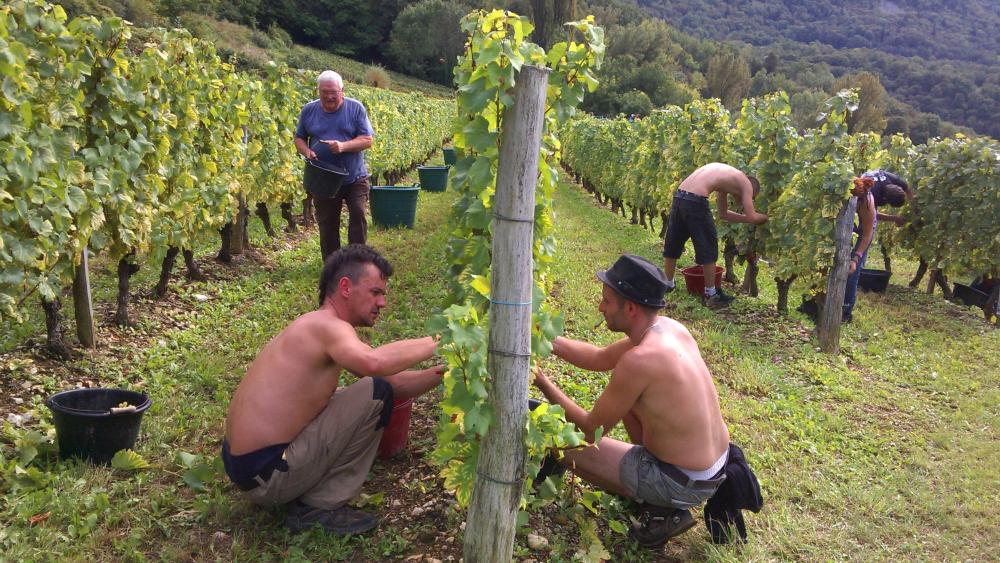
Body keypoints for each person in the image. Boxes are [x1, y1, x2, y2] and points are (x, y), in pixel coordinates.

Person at [532, 254, 761, 548]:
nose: (600, 307)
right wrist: (544, 339)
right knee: (631, 405)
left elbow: (590, 431)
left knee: (557, 435)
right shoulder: (668, 329)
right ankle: (654, 495)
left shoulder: (639, 361)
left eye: (606, 301)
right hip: (711, 467)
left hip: (682, 480)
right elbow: (599, 358)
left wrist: (541, 381)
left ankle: (664, 510)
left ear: (630, 308)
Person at [222, 245, 444, 535]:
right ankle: (317, 507)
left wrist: (446, 371)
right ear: (345, 287)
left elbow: (396, 385)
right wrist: (441, 340)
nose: (383, 303)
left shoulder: (315, 325)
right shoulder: (329, 327)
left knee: (376, 391)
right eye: (376, 292)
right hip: (268, 476)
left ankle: (306, 491)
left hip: (250, 470)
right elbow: (374, 363)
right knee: (375, 390)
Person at [662, 163, 768, 310]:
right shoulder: (747, 184)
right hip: (696, 200)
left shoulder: (726, 179)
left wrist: (746, 218)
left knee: (673, 242)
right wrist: (768, 218)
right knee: (709, 246)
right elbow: (753, 216)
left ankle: (668, 283)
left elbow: (723, 214)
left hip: (680, 196)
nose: (748, 200)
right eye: (751, 198)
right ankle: (711, 294)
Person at [295, 70, 375, 260]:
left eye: (333, 92)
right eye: (324, 92)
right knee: (327, 222)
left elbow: (367, 140)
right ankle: (333, 264)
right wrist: (307, 151)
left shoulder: (355, 109)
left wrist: (343, 146)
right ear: (318, 91)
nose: (329, 96)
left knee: (358, 214)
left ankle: (357, 261)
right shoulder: (309, 110)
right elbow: (299, 138)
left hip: (355, 177)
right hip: (324, 179)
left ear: (342, 91)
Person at [842, 170, 913, 322]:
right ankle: (843, 309)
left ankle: (845, 312)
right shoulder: (868, 195)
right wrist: (895, 218)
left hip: (862, 213)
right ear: (885, 199)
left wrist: (915, 210)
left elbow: (908, 188)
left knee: (853, 268)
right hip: (857, 211)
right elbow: (872, 217)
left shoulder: (891, 178)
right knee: (851, 269)